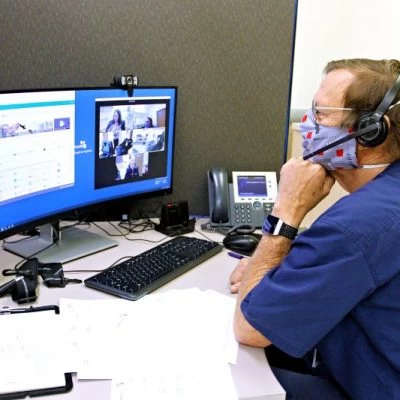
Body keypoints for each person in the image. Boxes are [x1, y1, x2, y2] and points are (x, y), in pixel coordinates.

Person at [230, 59, 400, 400]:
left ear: (370, 130)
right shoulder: (384, 199)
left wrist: (287, 210)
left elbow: (249, 328)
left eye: (321, 114)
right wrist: (282, 272)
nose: (308, 124)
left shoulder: (354, 226)